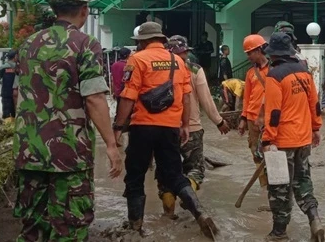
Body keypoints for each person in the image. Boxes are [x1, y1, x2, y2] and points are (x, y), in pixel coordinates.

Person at [13, 0, 122, 241]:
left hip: (29, 149)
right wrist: (111, 144)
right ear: (84, 10)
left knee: (32, 225)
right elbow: (94, 97)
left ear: (53, 9)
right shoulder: (85, 44)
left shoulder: (28, 44)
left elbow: (18, 93)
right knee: (70, 225)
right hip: (69, 153)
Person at [113, 22, 218, 238]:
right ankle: (200, 212)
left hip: (142, 127)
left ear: (142, 41)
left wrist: (117, 127)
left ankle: (135, 226)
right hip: (170, 127)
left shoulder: (138, 59)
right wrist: (186, 125)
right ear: (161, 39)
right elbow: (186, 97)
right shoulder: (178, 62)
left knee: (135, 176)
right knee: (175, 175)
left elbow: (128, 96)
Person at [158, 35, 230, 218]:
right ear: (186, 51)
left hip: (164, 128)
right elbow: (206, 100)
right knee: (196, 169)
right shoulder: (195, 69)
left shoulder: (158, 67)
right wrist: (219, 121)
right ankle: (188, 194)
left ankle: (168, 217)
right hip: (192, 128)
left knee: (166, 174)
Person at [262, 31, 324, 241]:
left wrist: (268, 140)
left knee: (280, 187)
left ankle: (279, 232)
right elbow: (314, 104)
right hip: (304, 138)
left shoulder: (274, 75)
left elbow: (273, 112)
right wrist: (316, 128)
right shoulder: (304, 72)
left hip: (282, 141)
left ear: (273, 55)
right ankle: (314, 219)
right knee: (303, 181)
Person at [239, 34, 270, 188]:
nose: (248, 56)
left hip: (269, 120)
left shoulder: (274, 70)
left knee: (271, 153)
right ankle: (264, 186)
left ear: (259, 50)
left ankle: (274, 186)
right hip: (252, 119)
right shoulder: (250, 73)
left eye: (250, 52)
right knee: (256, 154)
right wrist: (243, 119)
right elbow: (247, 97)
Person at [0, 49, 18, 123]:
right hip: (18, 95)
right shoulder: (20, 68)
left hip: (6, 94)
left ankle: (8, 128)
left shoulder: (3, 67)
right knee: (15, 112)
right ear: (15, 56)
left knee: (7, 113)